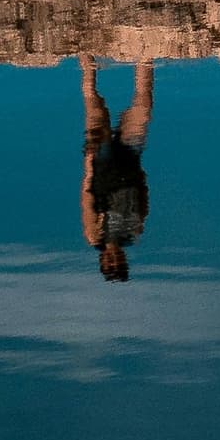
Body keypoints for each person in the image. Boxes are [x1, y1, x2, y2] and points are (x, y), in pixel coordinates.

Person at [77, 53, 154, 280]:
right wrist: (141, 173)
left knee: (93, 102)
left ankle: (85, 53)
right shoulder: (134, 232)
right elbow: (144, 199)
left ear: (102, 261)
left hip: (101, 162)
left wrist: (88, 166)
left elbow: (87, 200)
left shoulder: (95, 235)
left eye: (110, 263)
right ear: (124, 260)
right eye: (119, 263)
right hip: (130, 159)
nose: (115, 259)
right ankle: (145, 54)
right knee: (144, 105)